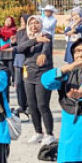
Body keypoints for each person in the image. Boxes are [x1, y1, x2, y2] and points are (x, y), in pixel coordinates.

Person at [17, 16, 55, 145]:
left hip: (43, 74)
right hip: (29, 74)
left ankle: (50, 134)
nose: (34, 26)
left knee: (42, 105)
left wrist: (43, 54)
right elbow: (20, 48)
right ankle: (38, 132)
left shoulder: (46, 35)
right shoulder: (26, 36)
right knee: (32, 106)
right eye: (31, 23)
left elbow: (46, 49)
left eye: (36, 23)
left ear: (41, 24)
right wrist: (34, 40)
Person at [0, 16, 17, 87]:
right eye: (6, 21)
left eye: (9, 21)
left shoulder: (13, 29)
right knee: (3, 67)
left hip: (10, 51)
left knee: (11, 67)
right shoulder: (2, 29)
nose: (7, 22)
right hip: (2, 51)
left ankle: (14, 80)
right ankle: (7, 81)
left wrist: (0, 32)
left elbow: (10, 33)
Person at [12, 14, 29, 116]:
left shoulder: (30, 34)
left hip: (27, 62)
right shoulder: (19, 32)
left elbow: (24, 47)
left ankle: (29, 105)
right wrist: (13, 43)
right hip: (18, 61)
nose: (22, 23)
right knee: (18, 84)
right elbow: (16, 47)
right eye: (21, 21)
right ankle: (21, 105)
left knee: (27, 84)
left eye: (24, 21)